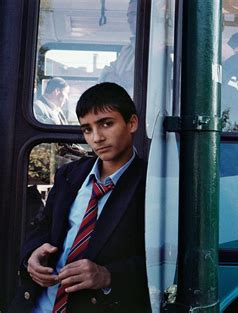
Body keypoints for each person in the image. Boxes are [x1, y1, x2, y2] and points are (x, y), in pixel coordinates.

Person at [10, 82, 150, 312]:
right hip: (37, 304)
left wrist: (107, 276)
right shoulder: (69, 174)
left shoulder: (150, 184)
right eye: (87, 129)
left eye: (106, 124)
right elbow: (43, 224)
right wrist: (31, 256)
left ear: (132, 123)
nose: (96, 138)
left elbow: (164, 260)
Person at [98, 0, 137, 97]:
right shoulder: (126, 50)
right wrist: (111, 77)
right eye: (128, 16)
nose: (129, 20)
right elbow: (107, 72)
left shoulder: (157, 51)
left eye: (133, 14)